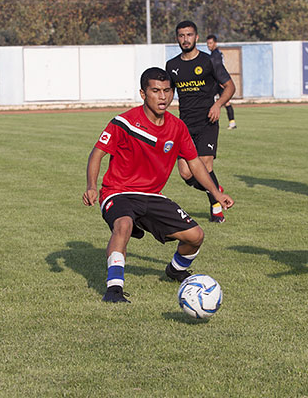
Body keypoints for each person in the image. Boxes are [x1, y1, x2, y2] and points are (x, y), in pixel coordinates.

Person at [83, 67, 234, 303]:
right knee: (123, 225)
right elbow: (97, 153)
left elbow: (194, 164)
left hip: (152, 195)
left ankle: (175, 270)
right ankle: (114, 289)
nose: (163, 97)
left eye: (167, 91)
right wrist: (92, 186)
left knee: (195, 236)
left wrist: (216, 193)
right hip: (118, 192)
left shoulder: (177, 127)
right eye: (156, 91)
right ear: (143, 94)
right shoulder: (124, 122)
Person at [166, 21, 236, 222]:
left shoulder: (209, 61)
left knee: (205, 166)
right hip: (184, 125)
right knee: (186, 173)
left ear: (196, 37)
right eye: (181, 35)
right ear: (177, 38)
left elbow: (230, 87)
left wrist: (218, 105)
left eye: (189, 35)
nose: (185, 39)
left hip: (207, 121)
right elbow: (169, 93)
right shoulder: (172, 65)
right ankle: (216, 190)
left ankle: (216, 209)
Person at [206, 34, 237, 130]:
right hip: (217, 82)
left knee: (225, 102)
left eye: (211, 43)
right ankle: (231, 123)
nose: (209, 45)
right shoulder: (214, 54)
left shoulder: (216, 55)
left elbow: (218, 69)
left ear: (215, 43)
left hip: (218, 82)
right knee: (221, 102)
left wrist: (221, 80)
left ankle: (232, 123)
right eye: (207, 43)